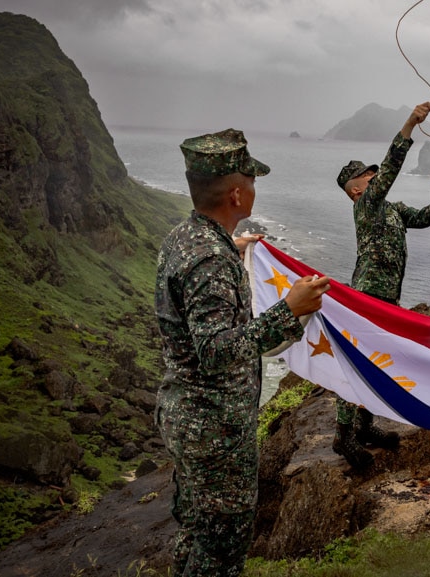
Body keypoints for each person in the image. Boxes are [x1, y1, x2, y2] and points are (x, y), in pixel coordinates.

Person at [154, 128, 331, 577]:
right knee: (219, 553)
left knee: (196, 536)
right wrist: (287, 311)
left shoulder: (188, 235)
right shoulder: (209, 258)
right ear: (236, 194)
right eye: (251, 180)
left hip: (190, 419)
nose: (255, 187)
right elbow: (215, 350)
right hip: (214, 433)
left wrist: (232, 252)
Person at [333, 102, 430, 469]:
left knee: (376, 361)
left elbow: (421, 219)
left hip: (387, 294)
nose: (375, 180)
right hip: (368, 293)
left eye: (373, 176)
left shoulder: (390, 208)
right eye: (368, 179)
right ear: (357, 191)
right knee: (359, 363)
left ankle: (365, 425)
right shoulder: (366, 207)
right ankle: (344, 435)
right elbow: (390, 169)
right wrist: (409, 124)